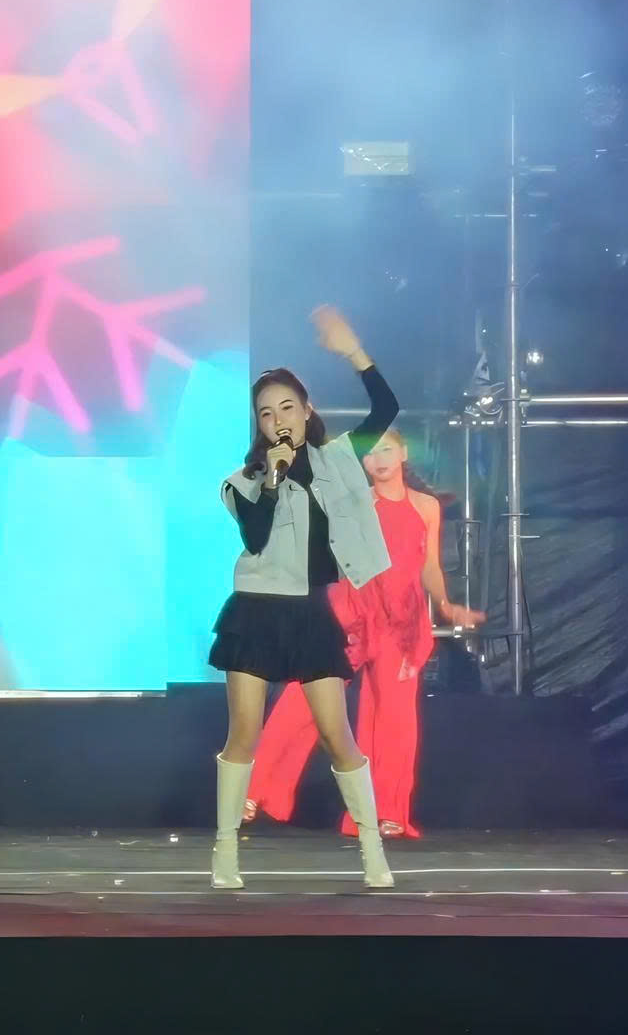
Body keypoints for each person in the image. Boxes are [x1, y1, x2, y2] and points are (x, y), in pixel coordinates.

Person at [209, 306, 398, 890]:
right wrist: (273, 475)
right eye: (266, 413)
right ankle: (225, 852)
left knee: (337, 735)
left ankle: (372, 852)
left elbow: (386, 410)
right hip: (256, 611)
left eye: (287, 407)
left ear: (307, 410)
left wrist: (353, 351)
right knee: (245, 734)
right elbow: (256, 536)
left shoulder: (338, 459)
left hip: (310, 612)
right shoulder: (242, 482)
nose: (277, 419)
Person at [243, 426, 483, 839]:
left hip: (401, 623)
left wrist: (446, 605)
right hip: (351, 615)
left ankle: (385, 812)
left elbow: (427, 565)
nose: (379, 460)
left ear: (403, 453)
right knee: (303, 702)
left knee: (394, 719)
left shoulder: (426, 506)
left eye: (387, 450)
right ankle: (253, 790)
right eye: (370, 454)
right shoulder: (353, 503)